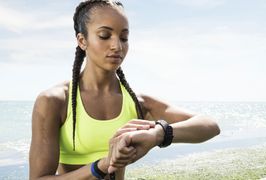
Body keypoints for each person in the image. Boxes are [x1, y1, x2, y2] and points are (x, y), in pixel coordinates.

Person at [29, 0, 220, 179]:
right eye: (105, 35)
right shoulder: (54, 101)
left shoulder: (137, 102)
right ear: (82, 40)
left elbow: (210, 125)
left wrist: (158, 134)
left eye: (124, 37)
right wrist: (101, 166)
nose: (117, 46)